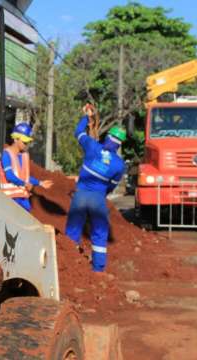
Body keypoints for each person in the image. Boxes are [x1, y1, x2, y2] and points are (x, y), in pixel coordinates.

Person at [65, 106, 126, 272]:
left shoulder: (92, 146)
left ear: (108, 136)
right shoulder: (119, 165)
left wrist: (86, 117)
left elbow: (78, 132)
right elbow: (112, 186)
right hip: (98, 198)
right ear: (120, 144)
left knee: (73, 229)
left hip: (80, 196)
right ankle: (98, 269)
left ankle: (70, 263)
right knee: (99, 233)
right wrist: (100, 194)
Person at [0, 123, 53, 212]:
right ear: (16, 139)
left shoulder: (24, 156)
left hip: (23, 199)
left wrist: (40, 183)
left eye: (28, 142)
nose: (26, 144)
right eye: (24, 141)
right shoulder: (6, 154)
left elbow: (25, 178)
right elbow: (9, 176)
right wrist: (24, 184)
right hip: (10, 199)